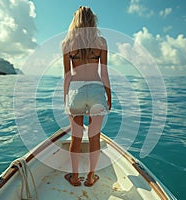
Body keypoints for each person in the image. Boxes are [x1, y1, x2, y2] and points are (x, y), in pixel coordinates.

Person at [62, 6, 111, 187]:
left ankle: (74, 177)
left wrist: (65, 97)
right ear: (93, 21)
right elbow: (104, 73)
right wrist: (109, 95)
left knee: (75, 138)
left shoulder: (67, 44)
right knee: (94, 137)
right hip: (97, 90)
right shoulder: (101, 42)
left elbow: (67, 75)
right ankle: (91, 177)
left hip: (76, 91)